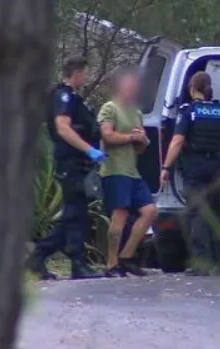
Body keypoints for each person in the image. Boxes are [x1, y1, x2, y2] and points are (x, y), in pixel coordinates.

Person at [27, 56, 107, 280]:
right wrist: (88, 149)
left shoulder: (73, 98)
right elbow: (63, 128)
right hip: (70, 163)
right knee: (76, 215)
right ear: (77, 73)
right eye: (86, 73)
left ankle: (37, 259)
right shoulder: (63, 95)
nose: (87, 77)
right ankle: (78, 265)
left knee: (75, 215)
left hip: (78, 163)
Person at [160, 71, 220, 276]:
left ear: (191, 88)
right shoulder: (219, 111)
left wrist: (166, 167)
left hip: (195, 168)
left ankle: (202, 263)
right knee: (219, 214)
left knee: (198, 215)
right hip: (218, 168)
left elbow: (177, 141)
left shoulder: (189, 112)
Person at [98, 66, 158, 277]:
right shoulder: (109, 108)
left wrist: (142, 140)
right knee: (120, 216)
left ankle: (127, 257)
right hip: (115, 170)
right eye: (129, 83)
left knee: (150, 211)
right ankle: (111, 264)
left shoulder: (136, 112)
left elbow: (140, 148)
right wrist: (130, 137)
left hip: (132, 171)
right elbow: (108, 136)